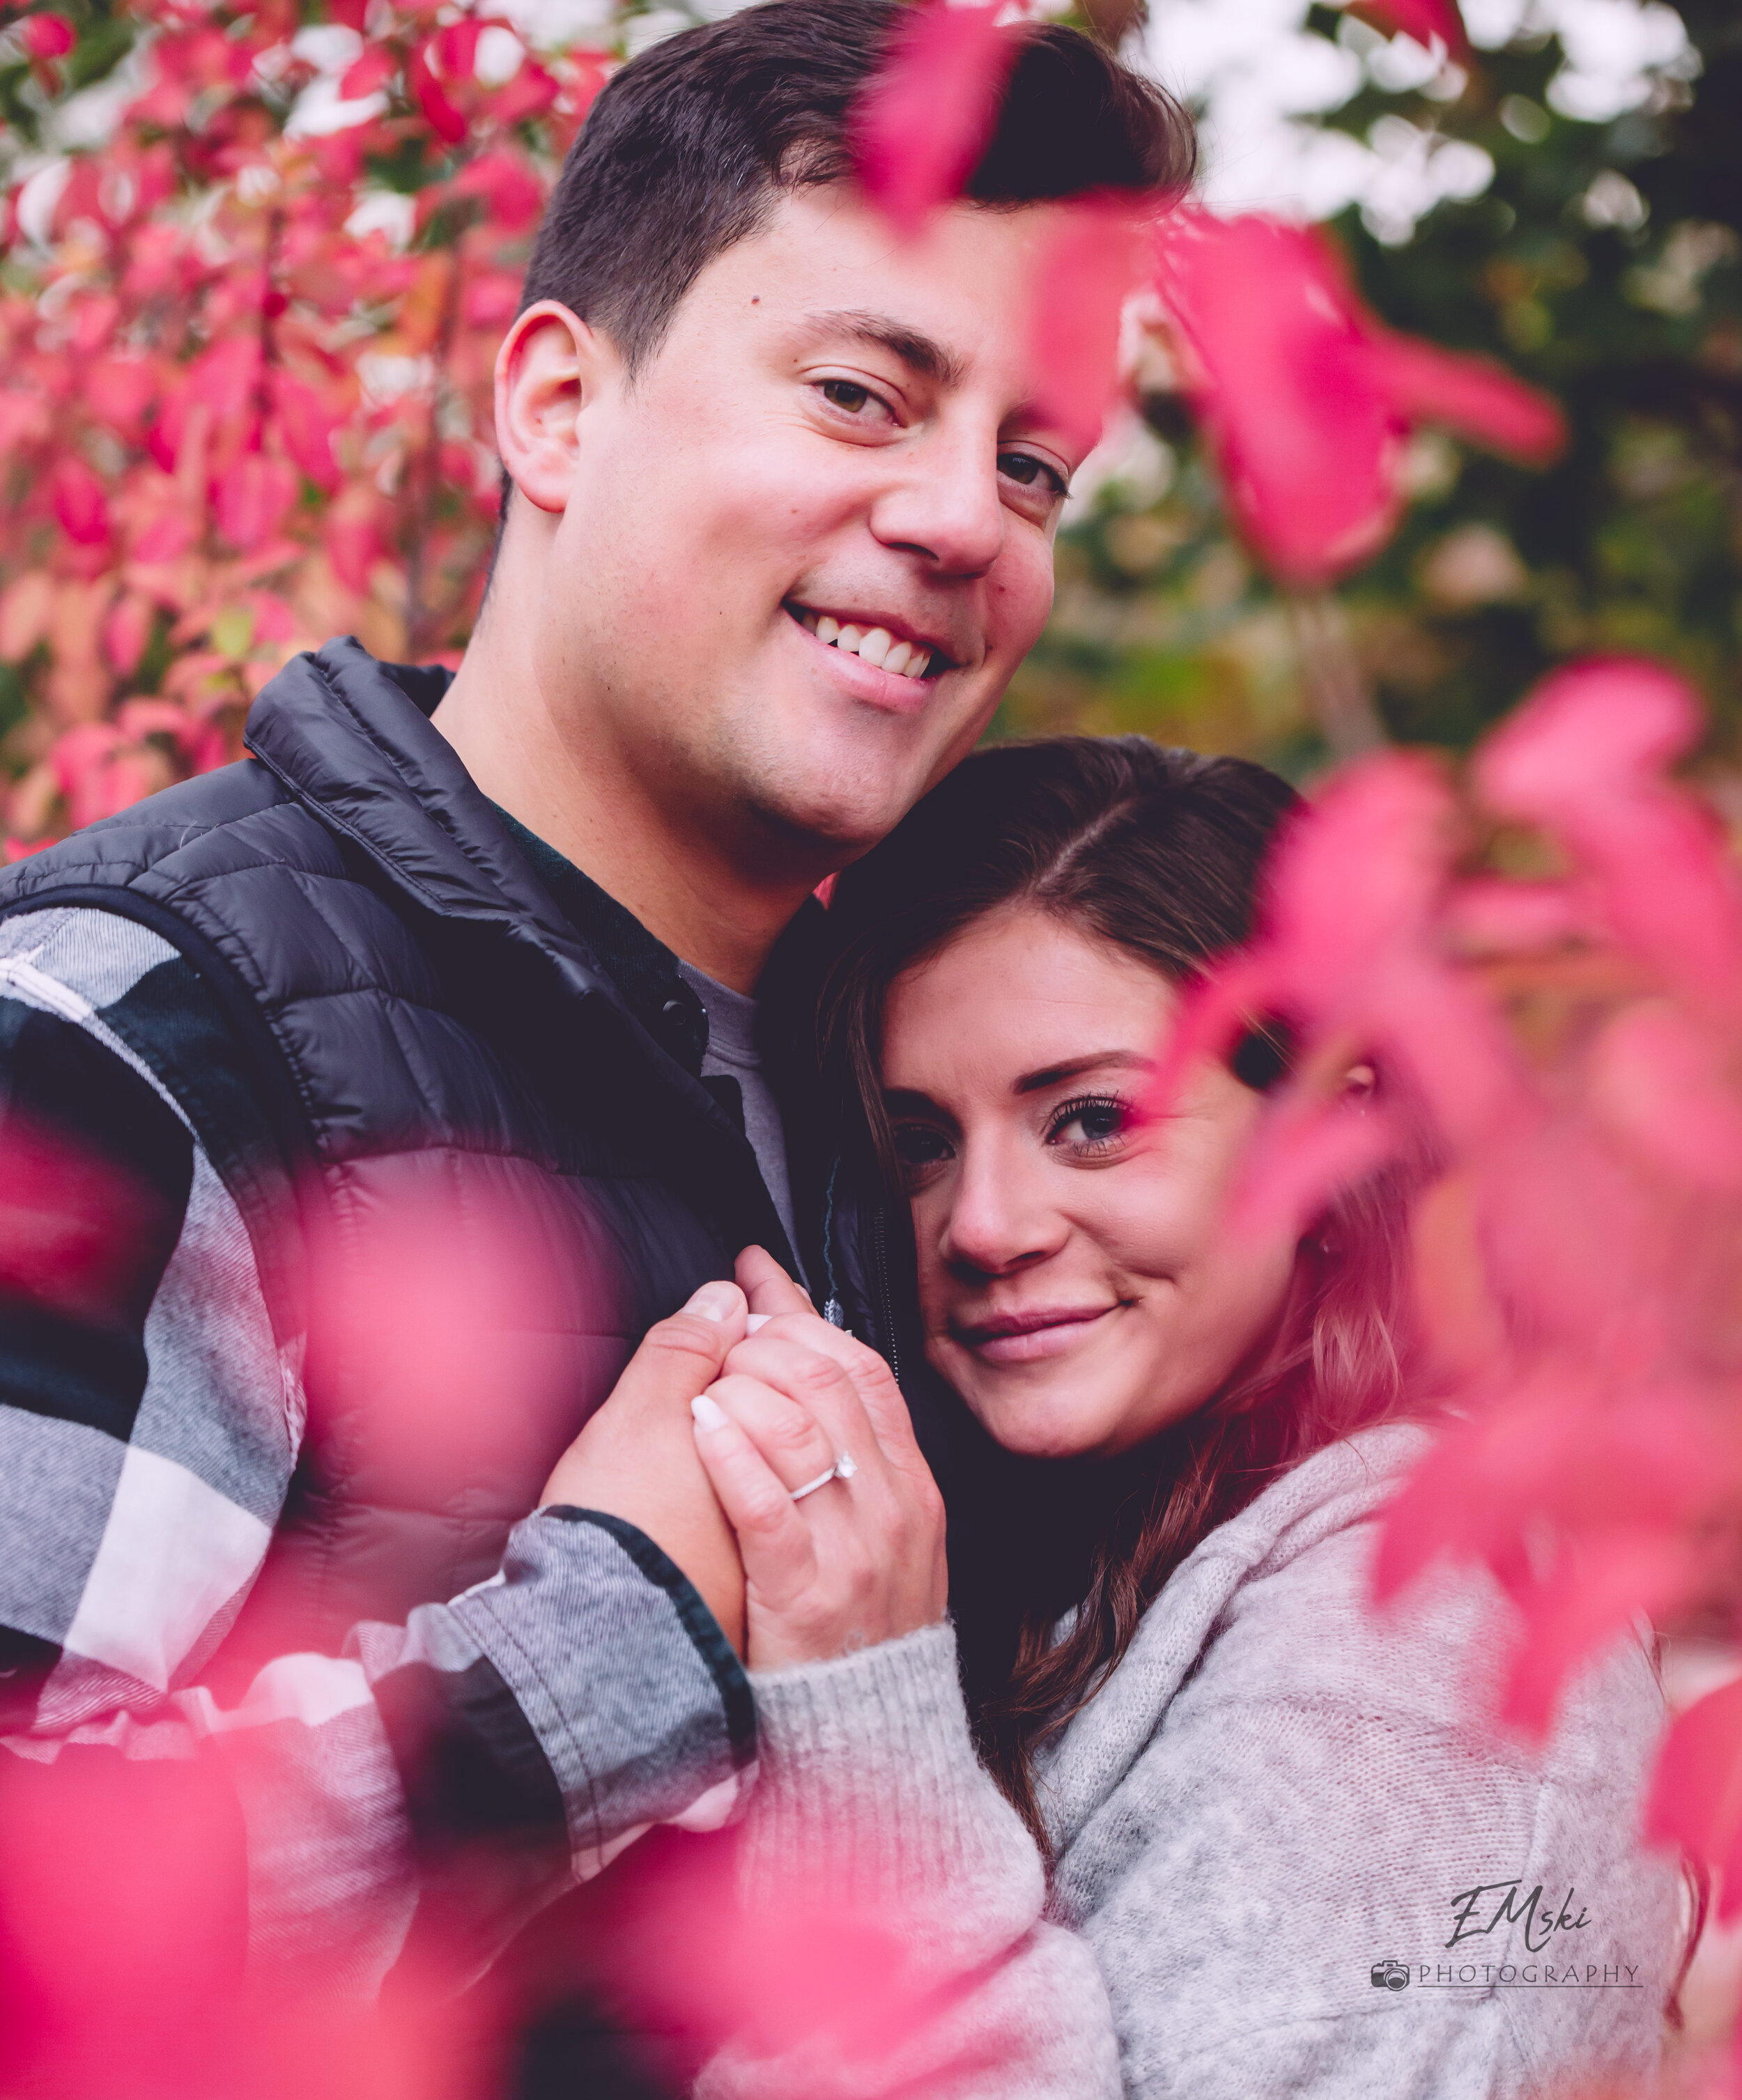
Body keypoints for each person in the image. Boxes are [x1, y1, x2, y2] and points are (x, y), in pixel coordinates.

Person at [0, 0, 1192, 2036]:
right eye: (855, 393)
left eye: (1032, 465)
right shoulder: (138, 1029)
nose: (965, 520)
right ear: (555, 405)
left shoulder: (916, 1124)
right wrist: (614, 1633)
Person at [683, 736, 1689, 2099]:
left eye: (1090, 1118)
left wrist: (869, 1742)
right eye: (919, 1142)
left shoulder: (1415, 1656)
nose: (980, 1226)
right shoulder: (1124, 1540)